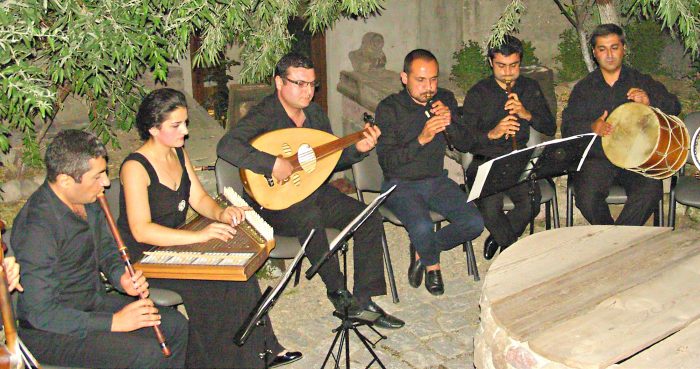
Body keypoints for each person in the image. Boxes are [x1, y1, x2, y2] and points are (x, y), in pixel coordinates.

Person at [217, 53, 404, 329]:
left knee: (369, 218)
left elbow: (327, 162)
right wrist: (271, 163)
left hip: (311, 191)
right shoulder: (265, 114)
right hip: (272, 203)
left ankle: (364, 300)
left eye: (312, 85)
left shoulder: (315, 115)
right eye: (300, 83)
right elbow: (227, 146)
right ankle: (339, 294)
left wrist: (356, 150)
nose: (308, 91)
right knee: (310, 217)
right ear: (279, 82)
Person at [118, 88, 301, 368]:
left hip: (176, 245)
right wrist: (198, 236)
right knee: (213, 286)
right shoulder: (135, 167)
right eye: (176, 125)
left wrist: (222, 213)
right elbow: (142, 231)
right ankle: (222, 360)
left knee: (240, 271)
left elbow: (199, 198)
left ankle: (262, 350)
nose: (185, 131)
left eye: (186, 123)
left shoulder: (177, 153)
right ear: (154, 129)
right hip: (145, 257)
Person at [11, 129, 188, 368]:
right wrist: (114, 322)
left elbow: (107, 250)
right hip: (51, 330)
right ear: (65, 180)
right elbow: (40, 312)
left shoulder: (88, 200)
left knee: (175, 326)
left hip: (93, 303)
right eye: (97, 176)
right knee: (145, 354)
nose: (105, 183)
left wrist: (121, 277)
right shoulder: (38, 226)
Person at [375, 49, 484, 296]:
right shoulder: (389, 108)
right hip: (400, 184)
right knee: (423, 226)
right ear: (404, 78)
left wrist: (451, 124)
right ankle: (432, 265)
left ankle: (421, 252)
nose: (429, 87)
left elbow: (466, 144)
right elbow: (388, 163)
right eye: (421, 80)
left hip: (436, 180)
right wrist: (422, 139)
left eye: (434, 79)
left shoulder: (443, 98)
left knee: (474, 223)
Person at [562, 23, 681, 225]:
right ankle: (615, 240)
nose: (609, 54)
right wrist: (592, 127)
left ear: (623, 49)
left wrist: (649, 101)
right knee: (586, 198)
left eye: (614, 47)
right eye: (602, 49)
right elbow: (567, 128)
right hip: (598, 159)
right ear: (594, 53)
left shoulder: (640, 80)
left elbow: (674, 106)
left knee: (651, 191)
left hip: (637, 159)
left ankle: (615, 240)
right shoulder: (584, 88)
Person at [462, 36, 556, 260]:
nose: (507, 72)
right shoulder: (478, 93)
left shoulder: (529, 87)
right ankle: (514, 253)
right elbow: (464, 140)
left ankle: (500, 238)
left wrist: (526, 113)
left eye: (513, 66)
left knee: (531, 202)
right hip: (485, 159)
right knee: (490, 209)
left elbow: (550, 127)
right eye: (501, 66)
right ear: (490, 63)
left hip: (518, 158)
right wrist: (492, 133)